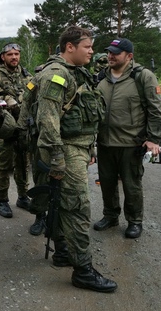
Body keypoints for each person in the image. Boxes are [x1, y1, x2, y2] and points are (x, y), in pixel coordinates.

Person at [26, 25, 117, 292]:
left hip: (77, 148)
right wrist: (57, 157)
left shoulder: (77, 72)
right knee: (77, 207)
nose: (91, 51)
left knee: (65, 204)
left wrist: (89, 149)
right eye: (87, 46)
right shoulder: (56, 75)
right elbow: (48, 120)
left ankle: (64, 252)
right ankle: (83, 271)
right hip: (64, 150)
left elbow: (86, 114)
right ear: (70, 47)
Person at [93, 38, 161, 239]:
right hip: (105, 142)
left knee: (131, 185)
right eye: (109, 52)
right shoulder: (102, 77)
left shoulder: (142, 77)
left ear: (129, 56)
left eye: (116, 53)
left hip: (131, 143)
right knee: (107, 182)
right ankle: (110, 216)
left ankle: (134, 221)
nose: (110, 56)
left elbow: (156, 110)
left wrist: (153, 139)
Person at [0, 43, 33, 218]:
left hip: (23, 126)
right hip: (5, 127)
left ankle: (23, 196)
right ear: (3, 57)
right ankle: (3, 200)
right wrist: (5, 99)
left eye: (17, 54)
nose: (14, 57)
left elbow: (33, 94)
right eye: (10, 54)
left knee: (22, 163)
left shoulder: (26, 75)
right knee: (3, 165)